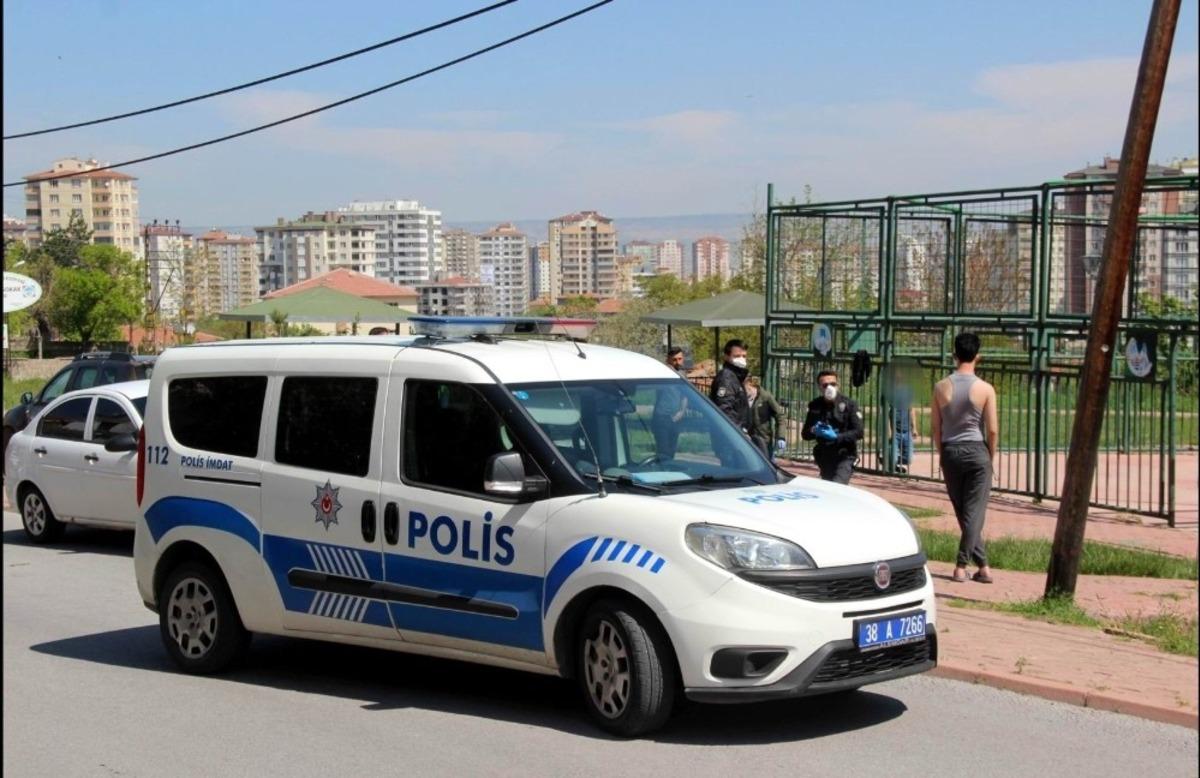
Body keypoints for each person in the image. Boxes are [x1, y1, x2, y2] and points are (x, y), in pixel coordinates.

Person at [931, 332, 998, 584]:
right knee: (974, 512)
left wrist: (942, 453)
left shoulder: (940, 387)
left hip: (950, 450)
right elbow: (992, 429)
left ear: (954, 355)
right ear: (977, 356)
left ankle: (983, 566)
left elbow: (936, 428)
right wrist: (990, 455)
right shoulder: (985, 388)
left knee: (964, 512)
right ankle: (961, 566)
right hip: (976, 451)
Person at [801, 369, 863, 484]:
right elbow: (805, 434)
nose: (830, 388)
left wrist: (837, 436)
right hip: (824, 456)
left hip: (845, 455)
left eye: (833, 384)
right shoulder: (815, 405)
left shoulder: (849, 404)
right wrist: (814, 430)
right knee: (829, 488)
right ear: (819, 387)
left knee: (837, 485)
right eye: (825, 385)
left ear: (837, 385)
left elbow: (859, 432)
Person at [651, 347, 689, 460]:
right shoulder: (663, 372)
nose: (678, 362)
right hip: (662, 417)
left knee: (672, 450)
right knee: (663, 451)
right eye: (674, 360)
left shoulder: (682, 374)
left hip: (676, 418)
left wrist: (681, 412)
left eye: (680, 359)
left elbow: (685, 395)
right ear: (668, 360)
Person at [710, 339, 750, 433]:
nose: (741, 359)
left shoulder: (736, 377)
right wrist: (738, 433)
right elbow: (724, 409)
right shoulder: (727, 378)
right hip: (730, 434)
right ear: (726, 357)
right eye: (737, 356)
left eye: (744, 356)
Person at [746, 376, 785, 462]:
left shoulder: (766, 397)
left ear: (749, 384)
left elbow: (780, 416)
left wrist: (781, 437)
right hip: (747, 439)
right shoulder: (742, 398)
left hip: (764, 440)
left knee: (767, 465)